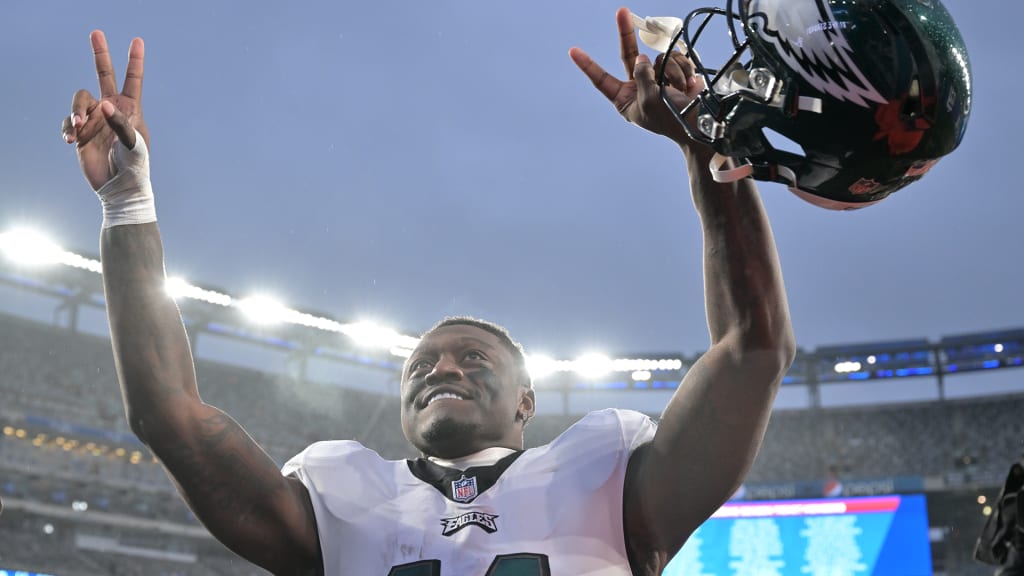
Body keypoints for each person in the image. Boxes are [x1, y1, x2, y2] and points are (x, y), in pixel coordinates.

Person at [60, 7, 794, 575]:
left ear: (527, 402)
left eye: (473, 360)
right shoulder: (337, 494)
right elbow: (169, 415)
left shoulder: (608, 472)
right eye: (421, 365)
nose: (441, 368)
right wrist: (128, 204)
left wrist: (704, 147)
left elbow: (754, 349)